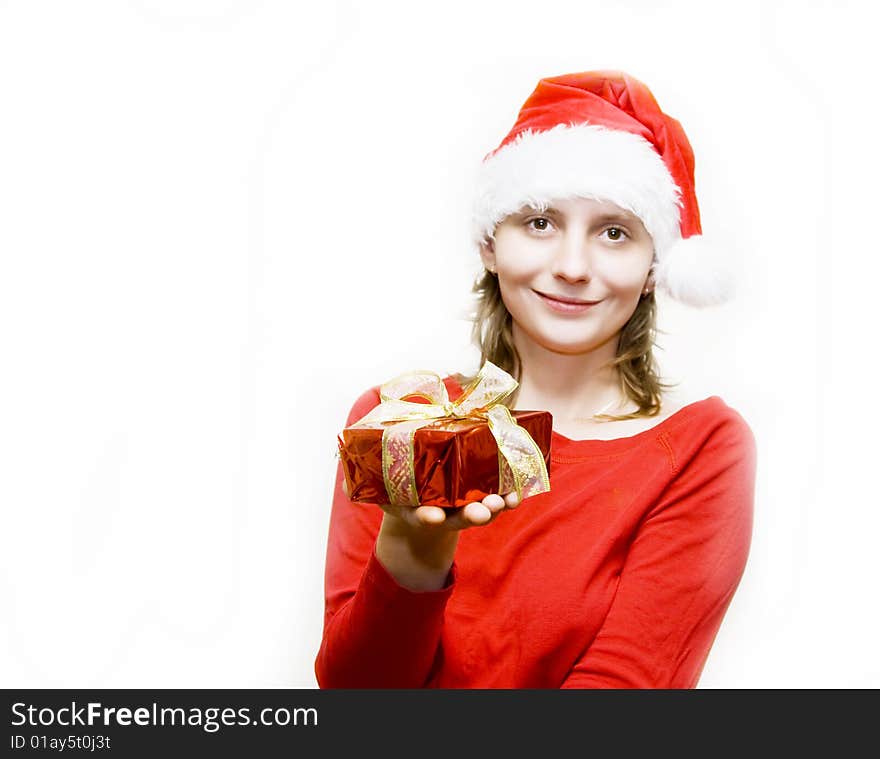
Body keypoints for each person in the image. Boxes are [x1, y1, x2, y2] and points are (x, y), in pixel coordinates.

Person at [315, 70, 757, 688]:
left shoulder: (699, 448)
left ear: (655, 267)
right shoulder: (397, 417)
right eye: (541, 222)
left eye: (614, 232)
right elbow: (356, 695)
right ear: (490, 244)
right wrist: (413, 547)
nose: (572, 267)